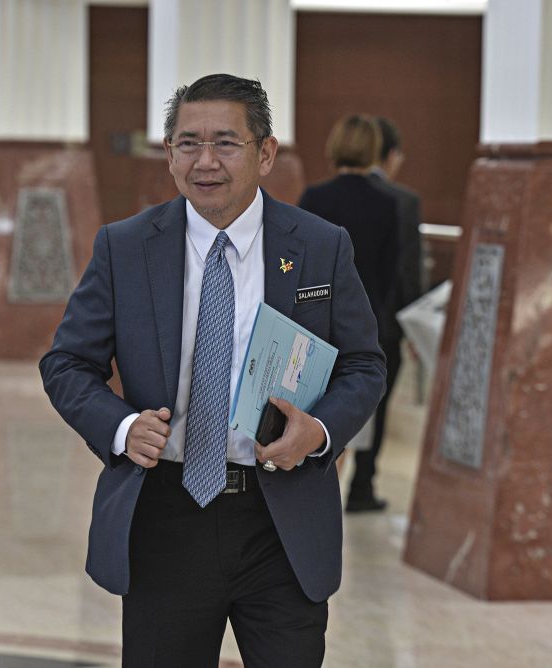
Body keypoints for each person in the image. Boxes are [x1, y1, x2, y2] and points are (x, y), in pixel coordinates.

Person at [40, 74, 385, 668]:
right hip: (166, 517)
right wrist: (123, 428)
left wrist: (320, 430)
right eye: (187, 143)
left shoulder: (321, 246)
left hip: (281, 520)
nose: (206, 161)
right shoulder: (124, 247)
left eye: (226, 143)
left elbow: (363, 364)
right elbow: (67, 363)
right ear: (169, 154)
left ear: (266, 153)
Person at [297, 114, 402, 512]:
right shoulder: (387, 203)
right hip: (364, 325)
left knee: (315, 414)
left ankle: (317, 496)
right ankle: (341, 496)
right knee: (350, 416)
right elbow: (390, 271)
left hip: (316, 325)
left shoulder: (315, 197)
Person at [356, 116, 422, 511]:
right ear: (392, 155)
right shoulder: (403, 201)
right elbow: (408, 271)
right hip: (383, 325)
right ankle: (362, 486)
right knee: (375, 408)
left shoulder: (323, 195)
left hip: (331, 321)